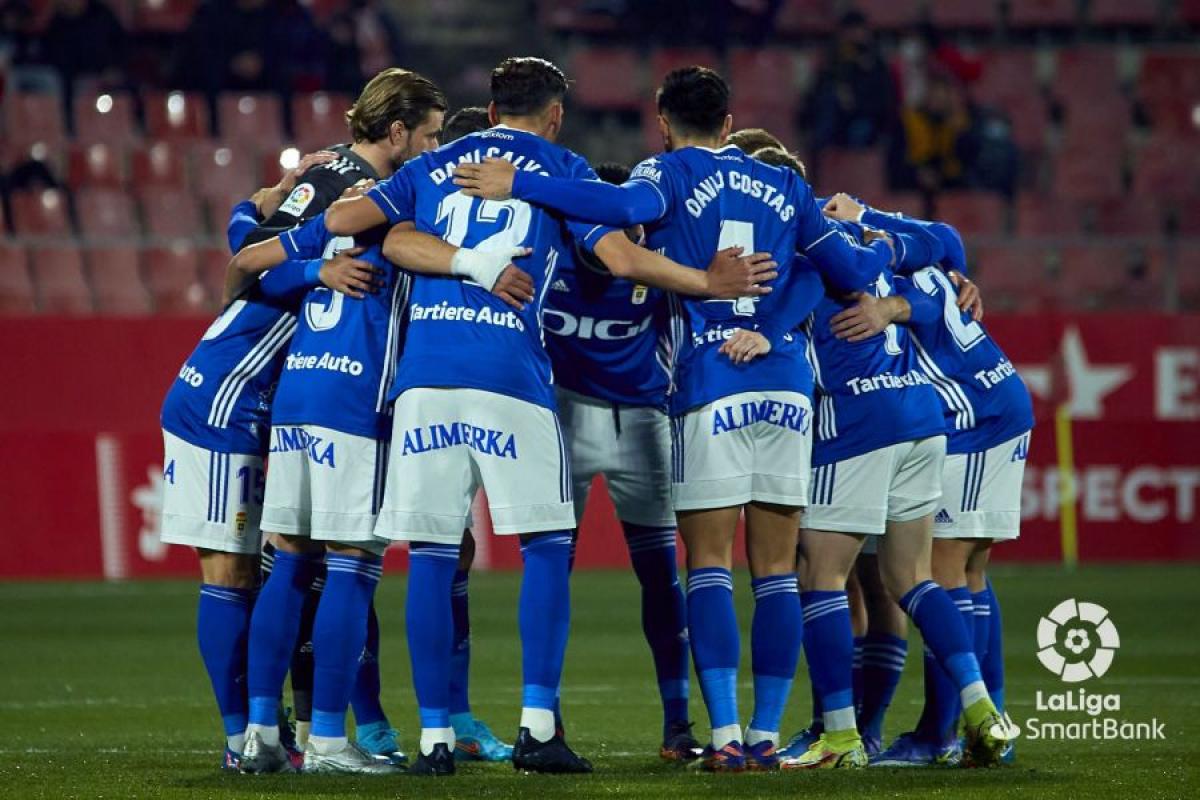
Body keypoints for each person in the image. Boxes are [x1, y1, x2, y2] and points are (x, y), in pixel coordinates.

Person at [314, 56, 775, 775]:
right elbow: (623, 252)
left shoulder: (438, 164)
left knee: (432, 556)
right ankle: (536, 726)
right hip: (510, 375)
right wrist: (703, 282)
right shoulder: (565, 173)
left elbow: (352, 222)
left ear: (490, 111)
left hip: (424, 381)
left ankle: (434, 738)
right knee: (548, 545)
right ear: (555, 114)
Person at [452, 65, 905, 772]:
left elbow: (609, 207)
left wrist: (523, 183)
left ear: (663, 122)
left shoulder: (664, 175)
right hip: (785, 386)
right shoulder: (786, 185)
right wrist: (789, 323)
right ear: (730, 123)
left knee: (711, 568)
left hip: (709, 381)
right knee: (779, 571)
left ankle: (722, 737)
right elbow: (840, 267)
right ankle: (763, 737)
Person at [229, 68, 446, 775]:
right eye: (431, 135)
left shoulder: (319, 172)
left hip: (299, 392)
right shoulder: (388, 194)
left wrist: (309, 270)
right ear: (397, 132)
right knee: (354, 565)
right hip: (356, 399)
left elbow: (254, 259)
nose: (433, 148)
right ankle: (326, 739)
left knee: (289, 562)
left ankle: (263, 733)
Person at [157, 151, 379, 772]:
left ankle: (269, 732)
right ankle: (240, 741)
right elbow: (258, 271)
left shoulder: (292, 234)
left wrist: (265, 197)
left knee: (268, 573)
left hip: (261, 410)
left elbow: (244, 235)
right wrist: (318, 268)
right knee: (228, 574)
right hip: (224, 402)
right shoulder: (319, 251)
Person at [777, 187, 1014, 769]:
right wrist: (884, 246)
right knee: (911, 577)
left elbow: (795, 302)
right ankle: (980, 705)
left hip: (857, 421)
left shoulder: (798, 253)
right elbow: (939, 257)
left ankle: (841, 736)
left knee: (820, 576)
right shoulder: (864, 242)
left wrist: (764, 326)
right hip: (920, 417)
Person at [544, 161, 700, 761]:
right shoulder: (551, 254)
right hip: (564, 420)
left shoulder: (654, 262)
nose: (627, 232)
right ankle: (545, 720)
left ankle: (678, 724)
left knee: (661, 576)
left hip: (643, 421)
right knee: (551, 572)